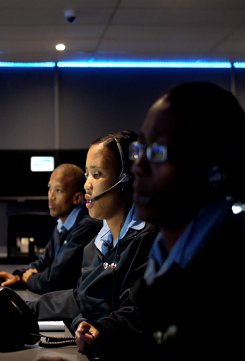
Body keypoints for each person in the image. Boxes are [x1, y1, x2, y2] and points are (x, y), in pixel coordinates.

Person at [27, 83, 245, 361]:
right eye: (140, 152)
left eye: (158, 152)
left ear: (212, 169)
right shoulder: (173, 256)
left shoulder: (240, 273)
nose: (138, 167)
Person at [26, 131, 159, 332]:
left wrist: (99, 331)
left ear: (125, 178)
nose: (87, 185)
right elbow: (82, 300)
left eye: (97, 175)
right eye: (87, 174)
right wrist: (23, 309)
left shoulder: (148, 241)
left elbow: (137, 314)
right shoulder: (96, 246)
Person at [0, 164, 101, 294]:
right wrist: (19, 276)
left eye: (58, 190)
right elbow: (44, 263)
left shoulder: (86, 227)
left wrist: (29, 279)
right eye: (50, 188)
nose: (51, 197)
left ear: (77, 198)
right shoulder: (62, 224)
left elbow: (54, 281)